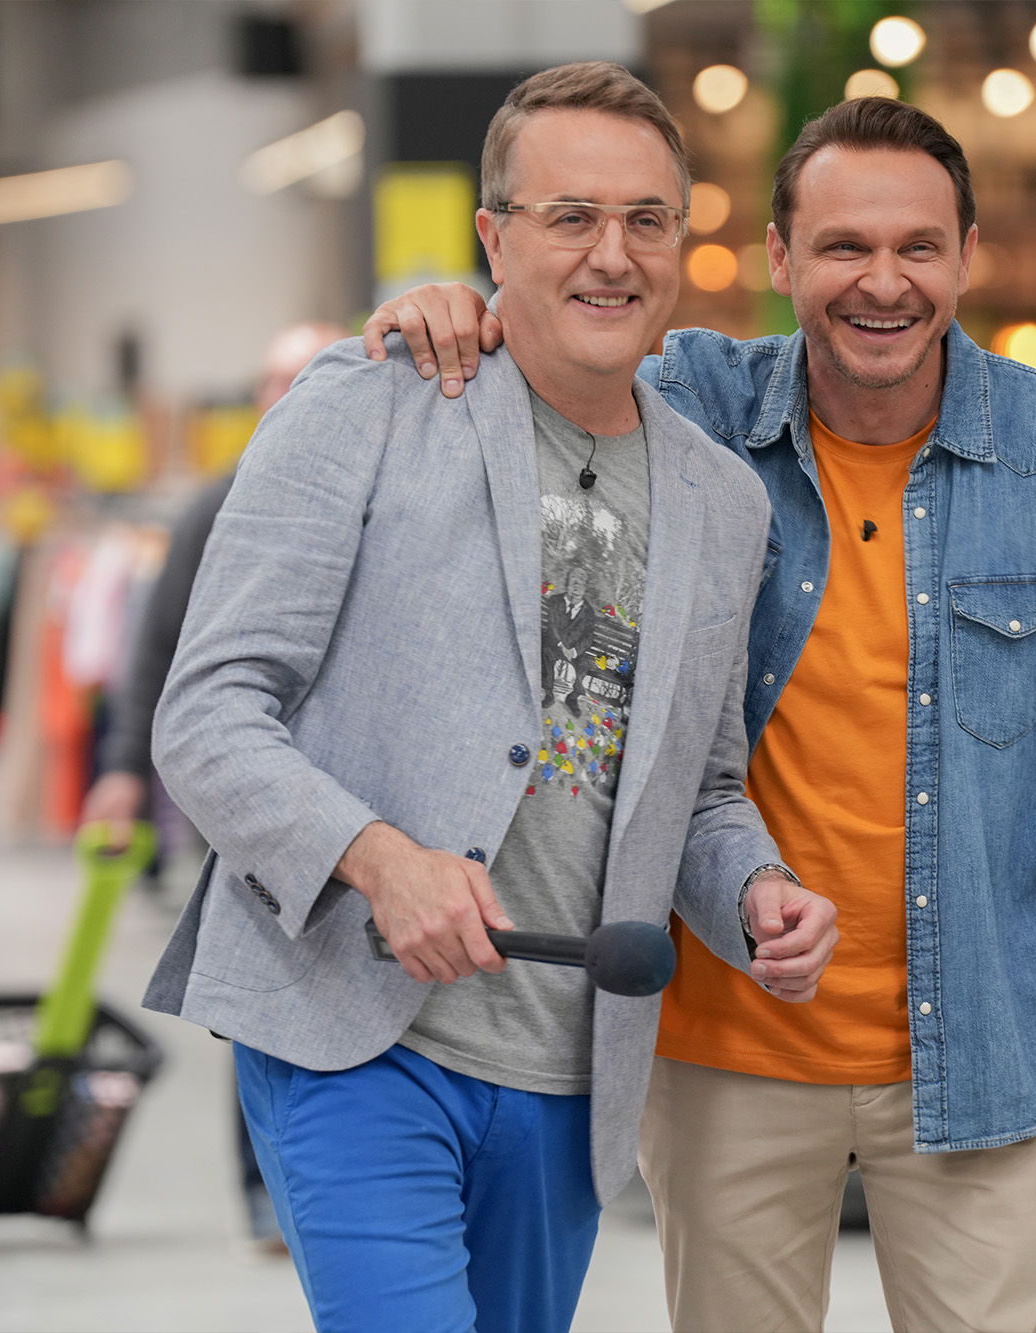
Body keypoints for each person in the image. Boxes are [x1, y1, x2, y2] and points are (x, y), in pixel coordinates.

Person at [367, 93, 1036, 1333]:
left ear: (965, 256)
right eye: (842, 246)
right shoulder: (685, 407)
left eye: (915, 247)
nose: (881, 282)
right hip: (725, 1053)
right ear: (778, 258)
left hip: (984, 1051)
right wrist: (458, 309)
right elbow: (561, 332)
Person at [143, 62, 838, 1333]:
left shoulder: (723, 503)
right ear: (493, 236)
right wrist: (377, 858)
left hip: (569, 1067)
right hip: (356, 1030)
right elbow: (207, 713)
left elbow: (697, 788)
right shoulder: (366, 408)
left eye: (646, 220)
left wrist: (753, 890)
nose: (611, 255)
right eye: (570, 217)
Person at [78, 319, 344, 1253]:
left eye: (313, 374)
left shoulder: (385, 493)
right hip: (243, 796)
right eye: (278, 379)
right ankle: (264, 1191)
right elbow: (152, 651)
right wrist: (122, 771)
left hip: (357, 799)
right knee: (263, 983)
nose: (294, 395)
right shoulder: (218, 505)